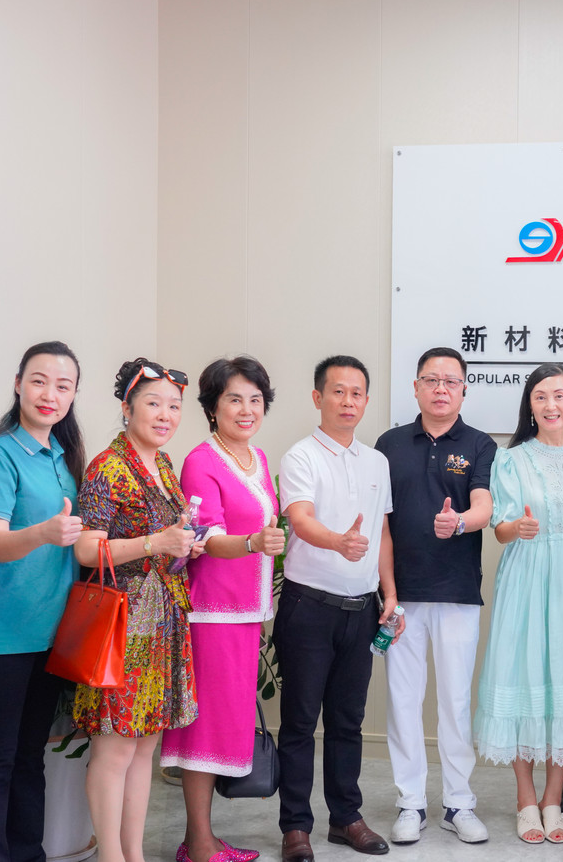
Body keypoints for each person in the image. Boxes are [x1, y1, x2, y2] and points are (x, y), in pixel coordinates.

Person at [473, 363, 563, 845]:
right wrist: (517, 528)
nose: (551, 405)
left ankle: (554, 800)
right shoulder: (510, 459)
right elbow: (500, 529)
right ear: (529, 406)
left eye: (559, 395)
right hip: (526, 577)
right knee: (524, 677)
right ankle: (525, 799)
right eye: (540, 397)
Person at [0, 341, 85, 862]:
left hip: (52, 636)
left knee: (30, 757)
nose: (50, 394)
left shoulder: (63, 457)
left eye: (63, 386)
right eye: (39, 381)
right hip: (1, 637)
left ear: (73, 395)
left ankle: (27, 853)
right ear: (17, 384)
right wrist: (45, 533)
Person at [73, 358, 201, 862]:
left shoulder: (163, 465)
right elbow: (87, 549)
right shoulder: (107, 467)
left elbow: (166, 539)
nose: (165, 415)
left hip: (163, 620)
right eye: (153, 403)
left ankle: (134, 853)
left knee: (145, 745)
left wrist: (184, 545)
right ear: (127, 408)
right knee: (115, 748)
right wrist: (155, 543)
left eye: (174, 406)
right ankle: (111, 856)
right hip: (123, 626)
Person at [161, 356, 287, 862]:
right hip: (212, 613)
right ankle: (198, 843)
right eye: (234, 399)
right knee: (206, 729)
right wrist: (254, 542)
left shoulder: (256, 458)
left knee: (224, 725)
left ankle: (203, 839)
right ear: (213, 407)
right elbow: (206, 537)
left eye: (255, 399)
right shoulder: (202, 460)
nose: (247, 409)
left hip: (246, 612)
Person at [276, 355, 401, 862]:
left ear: (366, 401)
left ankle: (346, 818)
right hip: (308, 607)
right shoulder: (300, 456)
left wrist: (390, 594)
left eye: (357, 393)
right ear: (318, 397)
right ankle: (295, 827)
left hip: (362, 609)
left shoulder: (376, 462)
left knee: (349, 722)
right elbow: (300, 520)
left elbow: (383, 531)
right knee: (300, 722)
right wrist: (338, 542)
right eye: (338, 391)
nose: (348, 401)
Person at [376, 348, 496, 846]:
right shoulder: (389, 444)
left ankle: (458, 803)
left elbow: (485, 505)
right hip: (401, 597)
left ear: (464, 388)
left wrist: (460, 522)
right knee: (403, 700)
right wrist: (388, 592)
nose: (441, 388)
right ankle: (411, 803)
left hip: (456, 593)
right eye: (431, 379)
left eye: (451, 381)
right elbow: (381, 521)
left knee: (455, 700)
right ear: (416, 387)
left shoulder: (480, 444)